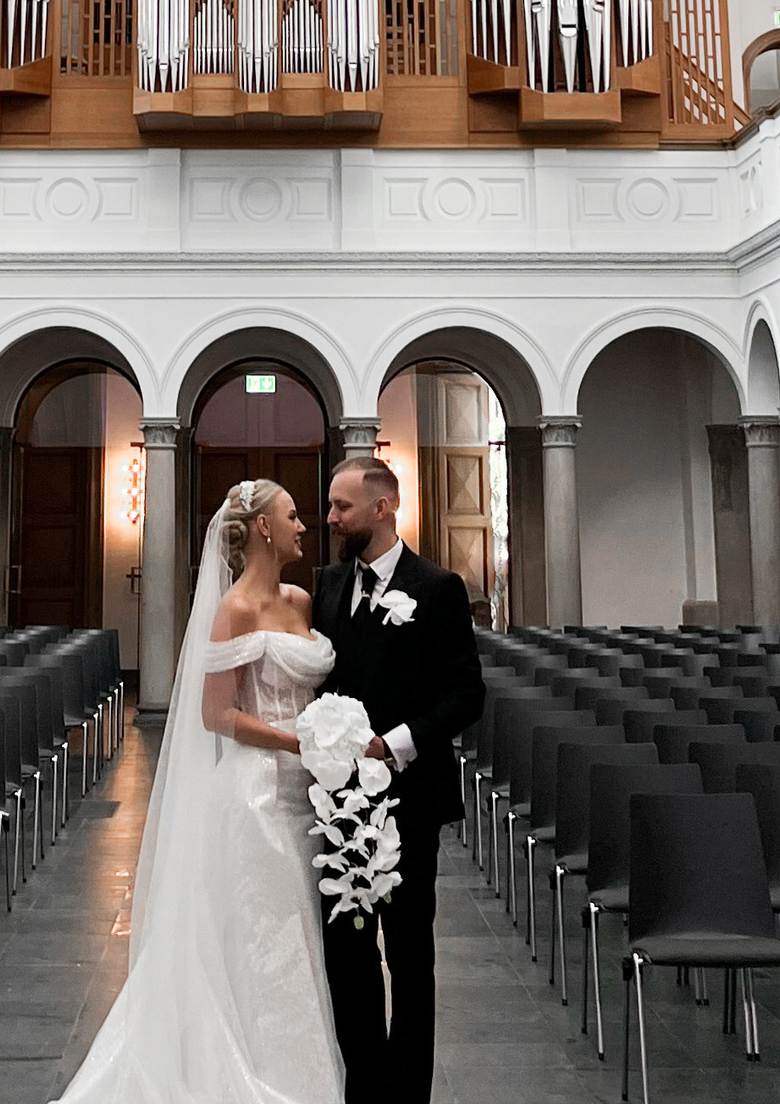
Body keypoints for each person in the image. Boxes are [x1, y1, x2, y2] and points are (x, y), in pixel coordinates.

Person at [59, 479, 345, 1104]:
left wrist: (329, 738)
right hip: (257, 792)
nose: (304, 526)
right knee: (269, 935)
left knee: (303, 934)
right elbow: (217, 715)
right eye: (292, 515)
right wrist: (299, 742)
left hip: (312, 795)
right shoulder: (234, 610)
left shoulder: (301, 599)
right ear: (264, 527)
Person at [313, 458, 485, 1104]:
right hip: (338, 804)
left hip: (409, 801)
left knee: (410, 956)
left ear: (383, 507)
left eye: (342, 507)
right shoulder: (328, 583)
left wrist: (395, 745)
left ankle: (409, 1095)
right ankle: (365, 1087)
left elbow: (464, 695)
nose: (331, 518)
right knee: (347, 955)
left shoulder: (436, 588)